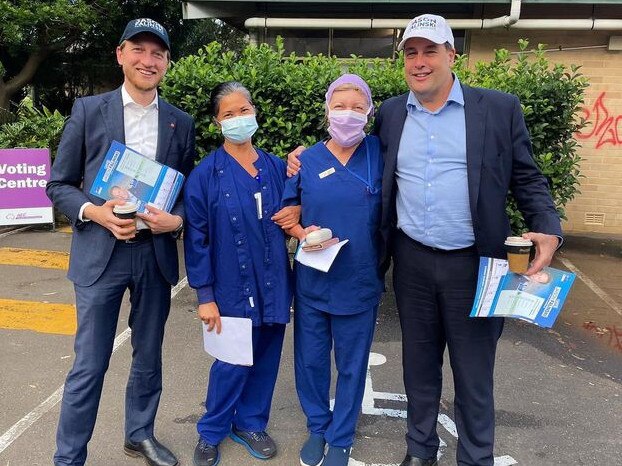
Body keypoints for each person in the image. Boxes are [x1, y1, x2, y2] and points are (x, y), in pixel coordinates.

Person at [288, 14, 562, 466]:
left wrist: (548, 229)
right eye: (410, 53)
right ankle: (420, 452)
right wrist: (299, 159)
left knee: (474, 374)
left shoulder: (498, 109)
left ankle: (475, 458)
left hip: (474, 264)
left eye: (430, 51)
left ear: (452, 55)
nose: (419, 62)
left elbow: (528, 179)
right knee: (418, 368)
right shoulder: (393, 114)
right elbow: (349, 151)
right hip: (412, 261)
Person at [46, 18, 196, 466]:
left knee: (148, 356)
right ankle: (69, 457)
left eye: (158, 54)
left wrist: (179, 221)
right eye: (139, 50)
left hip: (155, 257)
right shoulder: (90, 110)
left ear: (167, 63)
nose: (148, 61)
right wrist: (97, 212)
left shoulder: (179, 122)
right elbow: (59, 184)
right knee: (89, 365)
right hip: (100, 256)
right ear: (121, 54)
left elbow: (184, 189)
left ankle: (140, 435)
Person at [183, 81, 298, 466]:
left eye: (243, 111)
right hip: (229, 287)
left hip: (274, 282)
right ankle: (211, 430)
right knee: (231, 363)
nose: (237, 119)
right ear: (217, 123)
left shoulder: (277, 167)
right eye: (228, 114)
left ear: (255, 113)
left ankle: (250, 423)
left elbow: (299, 209)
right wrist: (205, 295)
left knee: (266, 357)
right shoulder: (204, 175)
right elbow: (196, 238)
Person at [282, 74, 384, 466]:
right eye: (340, 106)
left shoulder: (379, 152)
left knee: (352, 364)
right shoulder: (306, 159)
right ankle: (318, 427)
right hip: (313, 278)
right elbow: (286, 214)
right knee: (310, 360)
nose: (348, 115)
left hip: (359, 281)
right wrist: (301, 231)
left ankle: (342, 436)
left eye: (357, 108)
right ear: (327, 110)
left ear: (370, 112)